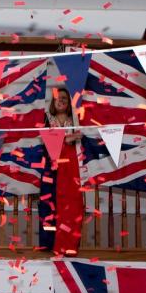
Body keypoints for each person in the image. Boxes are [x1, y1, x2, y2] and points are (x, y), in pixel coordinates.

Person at [44, 86, 84, 255]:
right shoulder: (46, 119)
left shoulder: (75, 119)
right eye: (57, 98)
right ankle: (51, 246)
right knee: (51, 206)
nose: (60, 101)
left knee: (72, 206)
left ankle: (70, 246)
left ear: (69, 103)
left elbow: (81, 140)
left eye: (64, 99)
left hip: (70, 169)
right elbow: (47, 144)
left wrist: (70, 140)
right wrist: (66, 140)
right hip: (51, 169)